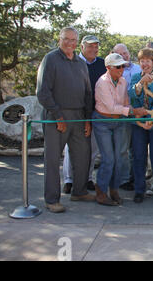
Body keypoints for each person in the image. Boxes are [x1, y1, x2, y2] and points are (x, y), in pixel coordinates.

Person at [36, 27, 95, 213]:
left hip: (79, 117)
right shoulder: (50, 59)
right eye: (66, 39)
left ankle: (79, 191)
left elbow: (87, 93)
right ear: (59, 39)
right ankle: (51, 200)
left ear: (77, 42)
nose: (70, 43)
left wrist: (87, 119)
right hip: (56, 117)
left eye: (73, 40)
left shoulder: (80, 62)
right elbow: (43, 92)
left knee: (83, 155)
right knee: (53, 159)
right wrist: (57, 115)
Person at [93, 53, 147, 206]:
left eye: (123, 66)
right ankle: (101, 191)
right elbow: (111, 107)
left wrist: (134, 111)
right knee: (108, 158)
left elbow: (125, 103)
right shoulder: (102, 83)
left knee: (120, 157)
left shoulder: (123, 81)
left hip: (119, 121)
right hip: (103, 121)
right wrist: (134, 112)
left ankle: (114, 189)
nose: (121, 69)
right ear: (108, 68)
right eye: (118, 66)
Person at [62, 35, 106, 194]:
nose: (94, 49)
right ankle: (69, 180)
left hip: (95, 111)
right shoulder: (72, 61)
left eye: (96, 46)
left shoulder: (102, 64)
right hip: (74, 111)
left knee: (92, 149)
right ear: (81, 47)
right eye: (90, 46)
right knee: (70, 148)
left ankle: (87, 178)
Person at [129, 48, 153, 205]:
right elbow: (132, 96)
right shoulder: (134, 78)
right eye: (142, 61)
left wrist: (151, 120)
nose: (145, 64)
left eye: (148, 61)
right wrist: (141, 83)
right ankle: (139, 190)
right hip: (138, 123)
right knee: (138, 157)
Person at [112, 44, 141, 191]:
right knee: (122, 149)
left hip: (136, 112)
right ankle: (123, 179)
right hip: (121, 113)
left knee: (135, 149)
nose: (125, 56)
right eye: (120, 54)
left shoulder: (138, 69)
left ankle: (134, 178)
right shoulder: (114, 70)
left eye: (126, 52)